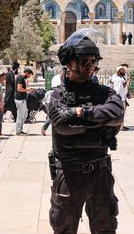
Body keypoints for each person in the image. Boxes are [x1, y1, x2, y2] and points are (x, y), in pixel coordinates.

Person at [47, 28, 124, 234]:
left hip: (100, 172)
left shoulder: (105, 92)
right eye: (85, 62)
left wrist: (81, 112)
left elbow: (117, 113)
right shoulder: (58, 95)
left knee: (105, 227)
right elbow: (62, 125)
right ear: (70, 63)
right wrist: (100, 120)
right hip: (70, 173)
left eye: (94, 62)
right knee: (64, 228)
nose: (91, 67)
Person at [42, 70, 63, 136]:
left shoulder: (55, 77)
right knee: (54, 114)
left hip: (49, 94)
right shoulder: (61, 77)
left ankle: (45, 128)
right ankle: (46, 127)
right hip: (55, 94)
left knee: (51, 114)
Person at [14, 68, 34, 135]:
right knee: (20, 115)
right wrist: (27, 90)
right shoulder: (20, 78)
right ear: (27, 73)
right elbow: (19, 88)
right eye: (29, 75)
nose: (29, 77)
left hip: (22, 99)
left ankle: (20, 129)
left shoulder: (21, 78)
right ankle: (18, 130)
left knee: (24, 115)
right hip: (20, 99)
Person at [112, 65, 130, 131]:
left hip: (122, 97)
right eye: (122, 70)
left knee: (121, 112)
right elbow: (119, 89)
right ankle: (120, 127)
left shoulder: (119, 78)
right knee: (121, 113)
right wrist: (127, 81)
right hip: (120, 98)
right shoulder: (119, 79)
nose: (124, 71)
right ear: (119, 71)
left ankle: (121, 126)